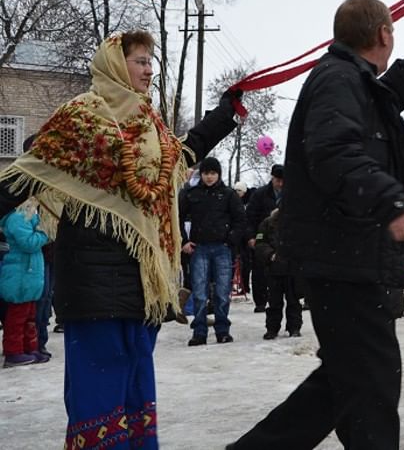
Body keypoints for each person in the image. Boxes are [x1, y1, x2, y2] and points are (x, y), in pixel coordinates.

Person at [0, 30, 239, 448]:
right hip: (92, 289)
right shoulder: (80, 118)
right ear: (114, 63)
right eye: (139, 60)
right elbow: (21, 179)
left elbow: (184, 154)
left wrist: (226, 113)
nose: (148, 69)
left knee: (134, 395)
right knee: (97, 400)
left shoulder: (152, 126)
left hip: (141, 289)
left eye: (151, 61)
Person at [228, 0, 404, 450]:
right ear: (382, 34)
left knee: (346, 379)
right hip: (344, 257)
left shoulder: (348, 79)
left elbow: (377, 106)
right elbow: (334, 152)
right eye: (393, 33)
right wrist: (393, 203)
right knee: (370, 381)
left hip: (346, 255)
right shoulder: (338, 80)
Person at [180, 156, 246, 345]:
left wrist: (231, 240)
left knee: (222, 292)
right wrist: (184, 241)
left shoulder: (228, 195)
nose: (209, 177)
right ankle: (199, 332)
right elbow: (178, 217)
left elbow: (240, 219)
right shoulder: (192, 194)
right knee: (200, 293)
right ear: (201, 175)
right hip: (199, 248)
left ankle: (222, 330)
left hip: (222, 249)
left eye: (213, 173)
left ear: (218, 174)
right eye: (206, 173)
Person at [1, 198, 48, 367]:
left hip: (28, 276)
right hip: (20, 276)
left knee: (29, 316)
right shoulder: (17, 218)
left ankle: (30, 348)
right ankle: (14, 351)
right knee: (17, 317)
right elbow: (28, 243)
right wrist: (45, 232)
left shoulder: (28, 216)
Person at [254, 208, 301, 339]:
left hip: (293, 269)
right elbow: (260, 243)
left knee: (293, 300)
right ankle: (272, 328)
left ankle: (294, 327)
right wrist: (270, 255)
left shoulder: (297, 223)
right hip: (273, 269)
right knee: (274, 301)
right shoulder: (267, 223)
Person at [245, 165, 283, 313]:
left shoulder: (290, 194)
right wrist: (250, 237)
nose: (280, 184)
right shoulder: (260, 194)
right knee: (259, 269)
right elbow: (250, 217)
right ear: (272, 178)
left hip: (282, 238)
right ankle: (260, 301)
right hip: (263, 236)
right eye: (278, 180)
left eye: (282, 181)